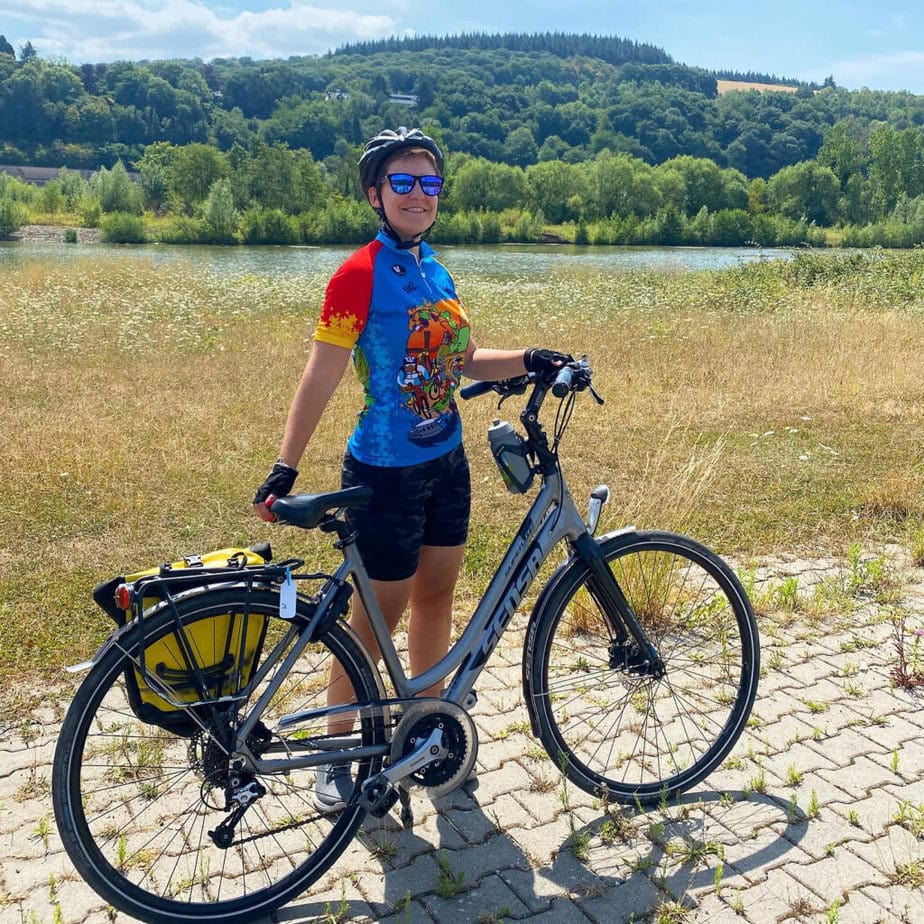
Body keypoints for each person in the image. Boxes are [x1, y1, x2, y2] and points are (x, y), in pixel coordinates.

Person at [252, 126, 571, 811]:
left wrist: (531, 359)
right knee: (371, 627)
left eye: (429, 182)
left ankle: (426, 730)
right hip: (386, 473)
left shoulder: (435, 268)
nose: (418, 194)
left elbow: (462, 363)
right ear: (375, 192)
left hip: (446, 464)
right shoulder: (356, 275)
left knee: (435, 597)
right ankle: (338, 754)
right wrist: (286, 465)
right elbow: (321, 374)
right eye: (403, 181)